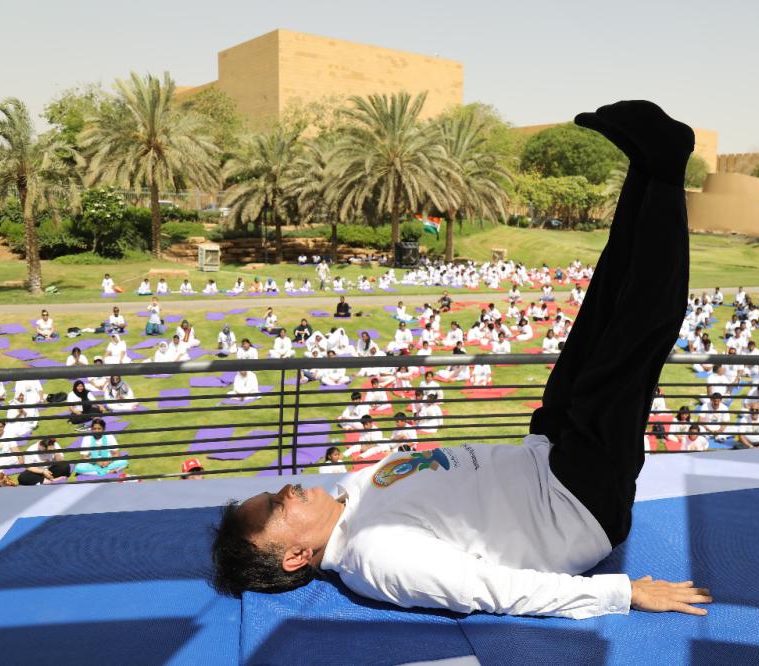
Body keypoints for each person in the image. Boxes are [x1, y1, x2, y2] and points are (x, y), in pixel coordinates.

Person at [211, 100, 711, 620]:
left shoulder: (346, 498)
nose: (285, 490)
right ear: (296, 556)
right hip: (576, 505)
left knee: (601, 311)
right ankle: (668, 166)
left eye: (272, 493)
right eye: (275, 506)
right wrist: (622, 593)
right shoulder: (377, 557)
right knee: (633, 335)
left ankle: (645, 166)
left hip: (544, 459)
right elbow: (492, 589)